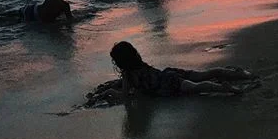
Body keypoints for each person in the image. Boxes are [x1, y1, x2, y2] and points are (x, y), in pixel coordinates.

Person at [104, 41, 248, 99]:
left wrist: (110, 92)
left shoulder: (128, 75)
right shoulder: (141, 66)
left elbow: (124, 96)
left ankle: (227, 89)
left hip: (170, 84)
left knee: (197, 87)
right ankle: (239, 74)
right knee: (204, 74)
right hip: (169, 74)